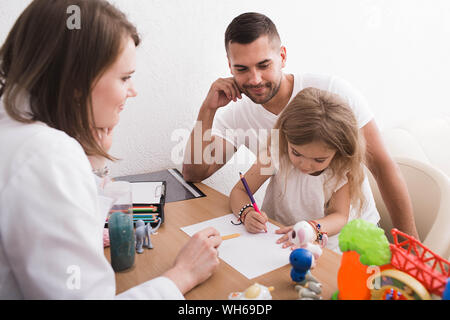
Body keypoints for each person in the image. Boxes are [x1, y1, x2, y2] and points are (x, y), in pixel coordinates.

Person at [0, 0, 221, 299]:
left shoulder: (18, 129)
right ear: (78, 80)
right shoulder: (47, 156)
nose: (133, 90)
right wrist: (181, 276)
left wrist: (87, 157)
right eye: (125, 77)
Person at [182, 12, 418, 239]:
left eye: (264, 65)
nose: (254, 79)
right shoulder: (248, 124)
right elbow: (194, 174)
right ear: (230, 65)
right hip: (282, 238)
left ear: (282, 57)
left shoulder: (332, 94)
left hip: (348, 241)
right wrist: (208, 109)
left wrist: (411, 247)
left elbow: (382, 166)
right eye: (242, 69)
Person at [229, 87, 379, 252]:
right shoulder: (277, 152)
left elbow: (339, 216)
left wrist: (311, 229)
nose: (305, 165)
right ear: (285, 137)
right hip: (276, 239)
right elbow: (240, 191)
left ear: (339, 152)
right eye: (296, 153)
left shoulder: (340, 167)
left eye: (319, 159)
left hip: (323, 248)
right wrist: (247, 213)